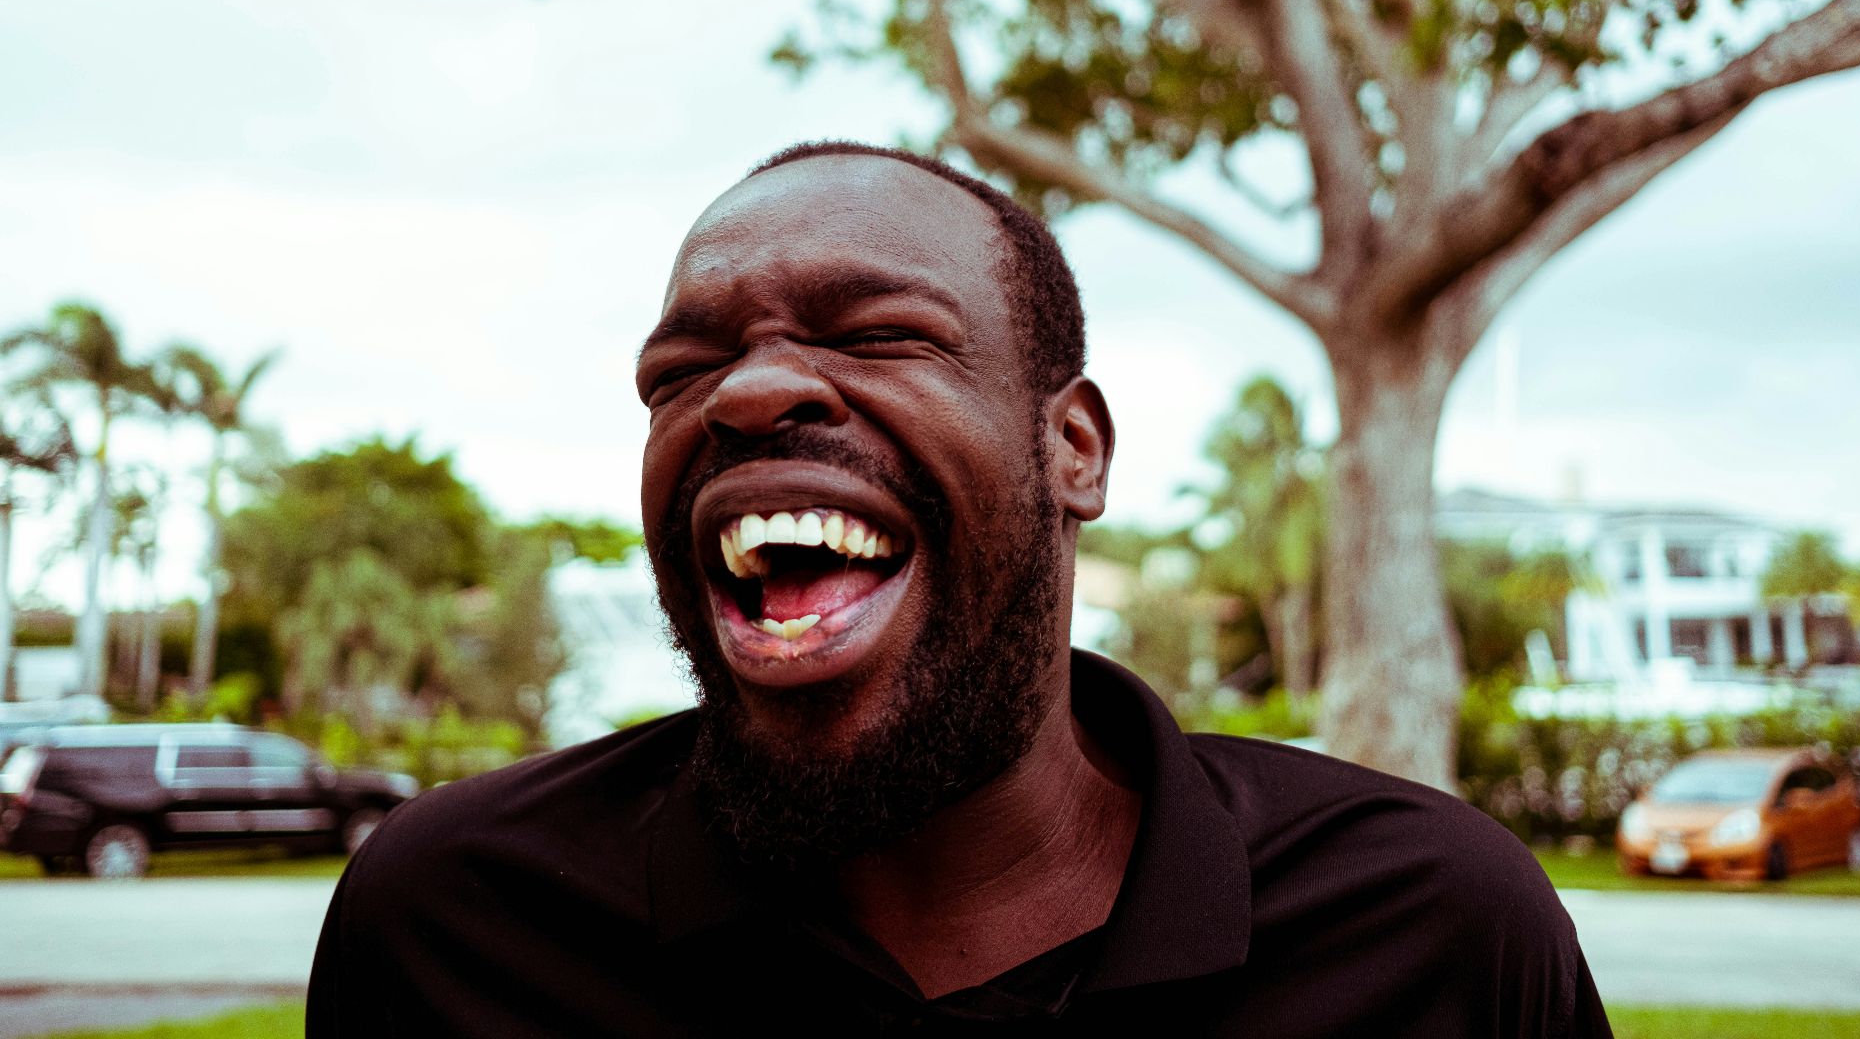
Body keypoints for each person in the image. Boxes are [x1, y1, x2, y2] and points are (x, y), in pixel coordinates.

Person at [307, 141, 1613, 1037]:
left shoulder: (1429, 929)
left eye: (880, 335)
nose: (747, 392)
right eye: (680, 372)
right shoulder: (452, 925)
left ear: (1074, 450)